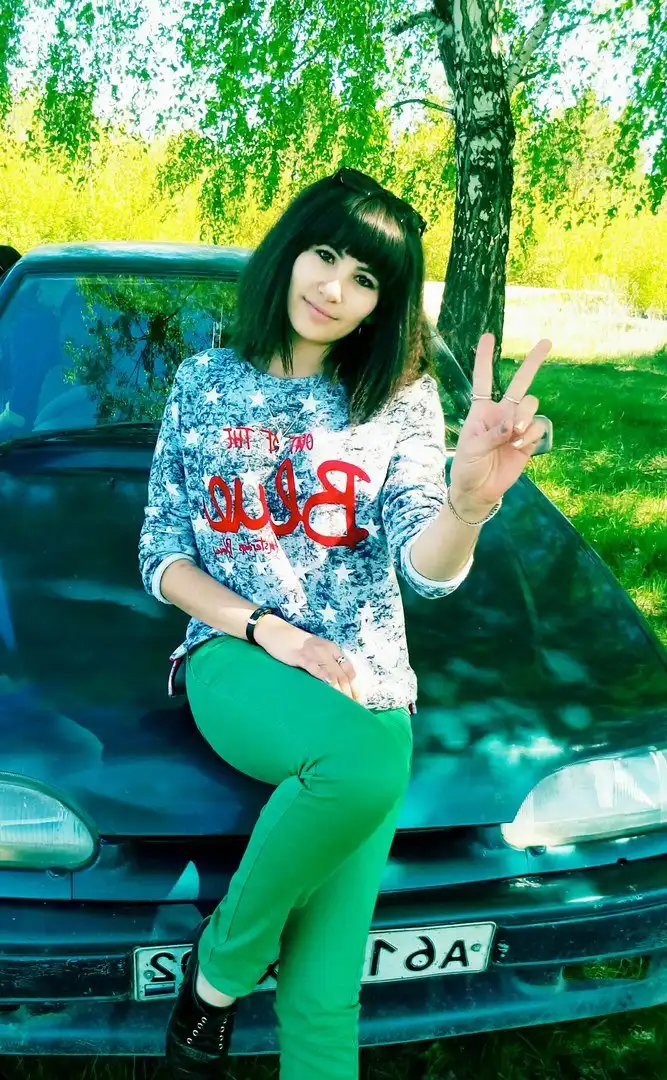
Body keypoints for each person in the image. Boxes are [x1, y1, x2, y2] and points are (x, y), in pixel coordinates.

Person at [138, 165, 552, 1080]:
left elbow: (425, 566)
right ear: (288, 253)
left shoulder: (398, 397)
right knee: (362, 764)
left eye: (364, 278)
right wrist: (268, 630)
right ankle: (221, 968)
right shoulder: (205, 381)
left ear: (381, 305)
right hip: (237, 653)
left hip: (366, 682)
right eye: (324, 255)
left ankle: (221, 981)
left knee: (326, 996)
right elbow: (162, 555)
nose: (333, 288)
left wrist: (469, 504)